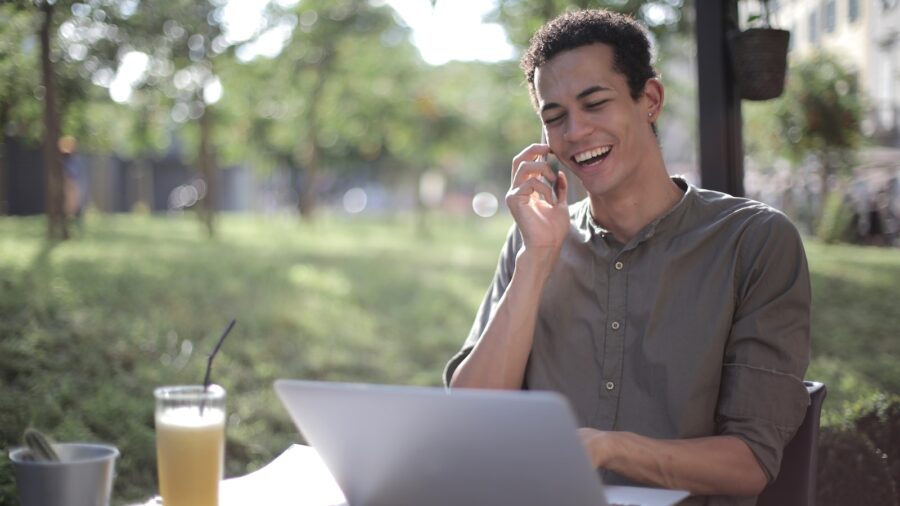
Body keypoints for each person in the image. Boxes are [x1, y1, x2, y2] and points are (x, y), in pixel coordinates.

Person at [443, 10, 810, 505]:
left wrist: (606, 449)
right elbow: (470, 418)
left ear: (650, 100)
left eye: (595, 103)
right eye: (554, 117)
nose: (575, 132)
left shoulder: (755, 241)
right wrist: (537, 261)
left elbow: (750, 463)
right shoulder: (535, 240)